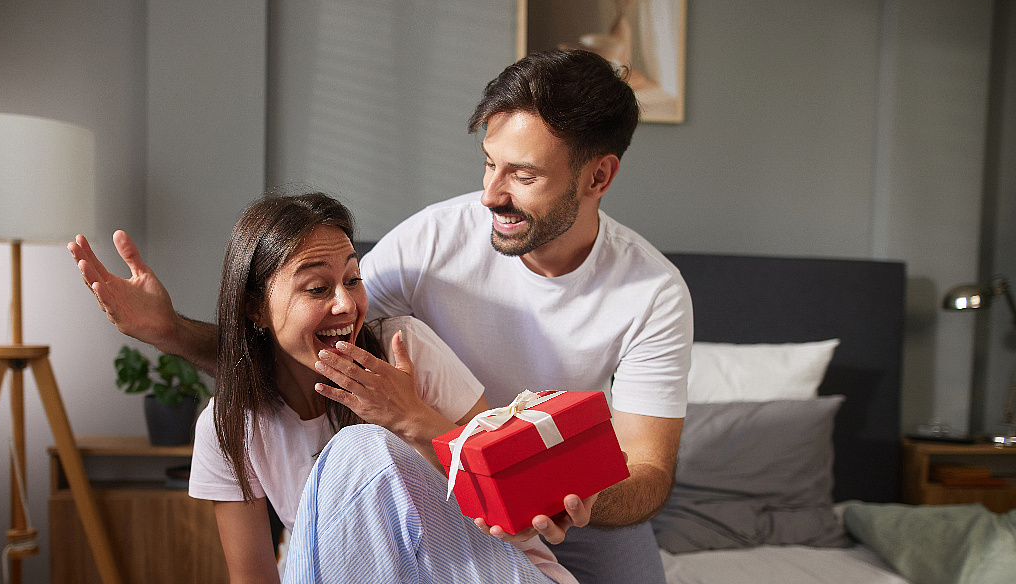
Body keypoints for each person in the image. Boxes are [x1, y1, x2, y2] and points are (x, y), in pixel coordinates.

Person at [69, 49, 691, 583]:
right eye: (488, 162)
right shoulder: (434, 243)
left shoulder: (652, 292)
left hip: (574, 500)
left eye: (522, 174)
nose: (490, 194)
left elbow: (649, 471)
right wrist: (169, 333)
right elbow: (303, 338)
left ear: (598, 177)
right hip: (442, 487)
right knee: (363, 455)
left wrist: (559, 489)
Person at [75, 192, 582, 582]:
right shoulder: (229, 424)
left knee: (361, 446)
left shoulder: (407, 349)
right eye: (318, 288)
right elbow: (251, 576)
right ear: (255, 307)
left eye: (353, 279)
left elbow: (518, 507)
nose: (346, 304)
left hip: (489, 567)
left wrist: (411, 419)